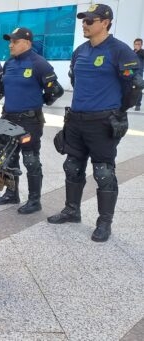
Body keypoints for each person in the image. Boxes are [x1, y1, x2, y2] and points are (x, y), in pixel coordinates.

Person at [47, 4, 143, 242]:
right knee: (72, 166)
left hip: (102, 122)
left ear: (105, 23)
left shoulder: (120, 51)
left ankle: (104, 223)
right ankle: (72, 210)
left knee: (103, 172)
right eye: (83, 20)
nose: (85, 24)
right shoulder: (80, 50)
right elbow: (75, 79)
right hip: (77, 120)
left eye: (90, 20)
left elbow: (134, 87)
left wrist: (118, 110)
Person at [0, 27, 63, 215]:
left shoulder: (39, 64)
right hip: (9, 118)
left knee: (31, 160)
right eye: (10, 41)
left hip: (29, 121)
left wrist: (41, 102)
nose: (10, 45)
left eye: (14, 42)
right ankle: (11, 193)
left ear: (27, 43)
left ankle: (34, 200)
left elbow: (56, 91)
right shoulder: (8, 64)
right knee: (8, 158)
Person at [134, 38, 144, 111]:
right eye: (136, 44)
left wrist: (138, 51)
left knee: (139, 88)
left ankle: (138, 105)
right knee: (126, 87)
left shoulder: (142, 52)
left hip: (138, 73)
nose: (137, 45)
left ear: (141, 45)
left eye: (138, 44)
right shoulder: (131, 52)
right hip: (130, 72)